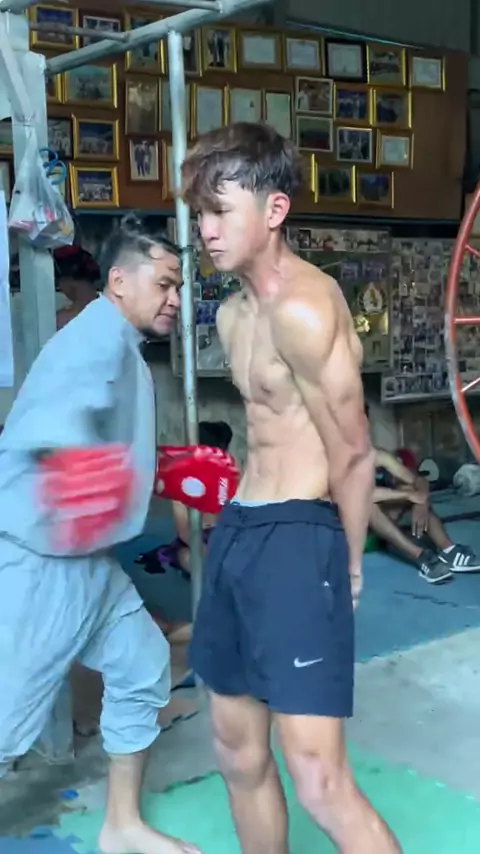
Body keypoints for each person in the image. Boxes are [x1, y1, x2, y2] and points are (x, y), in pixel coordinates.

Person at [181, 122, 402, 854]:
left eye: (221, 211)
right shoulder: (233, 313)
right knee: (236, 751)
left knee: (319, 780)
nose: (207, 230)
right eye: (200, 213)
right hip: (242, 529)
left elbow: (353, 451)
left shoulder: (307, 309)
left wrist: (349, 562)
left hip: (300, 537)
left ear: (273, 210)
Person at [0, 214, 200, 854]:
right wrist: (92, 471)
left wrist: (157, 468)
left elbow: (92, 431)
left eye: (179, 287)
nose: (175, 299)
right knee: (5, 727)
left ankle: (122, 826)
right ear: (118, 280)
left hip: (86, 562)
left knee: (142, 664)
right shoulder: (97, 343)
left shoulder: (114, 342)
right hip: (47, 562)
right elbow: (60, 427)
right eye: (164, 284)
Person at [370, 445, 480, 584]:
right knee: (367, 506)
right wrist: (409, 495)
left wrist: (421, 501)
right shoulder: (344, 461)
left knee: (410, 487)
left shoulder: (378, 455)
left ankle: (448, 550)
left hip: (380, 520)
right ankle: (421, 556)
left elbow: (417, 479)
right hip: (354, 529)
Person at [54, 244, 100, 329]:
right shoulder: (116, 311)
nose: (61, 289)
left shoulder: (62, 320)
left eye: (58, 283)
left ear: (68, 280)